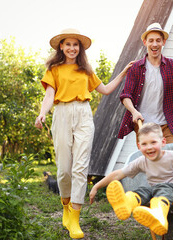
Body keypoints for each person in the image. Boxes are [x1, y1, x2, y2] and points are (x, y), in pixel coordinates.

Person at [34, 28, 133, 239]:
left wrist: (123, 73)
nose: (72, 48)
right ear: (61, 46)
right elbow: (50, 95)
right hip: (61, 114)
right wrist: (42, 114)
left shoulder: (86, 70)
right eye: (68, 44)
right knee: (64, 170)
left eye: (75, 45)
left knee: (81, 168)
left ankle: (75, 219)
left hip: (84, 115)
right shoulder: (54, 69)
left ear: (80, 48)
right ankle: (66, 207)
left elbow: (105, 90)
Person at [118, 22, 173, 144]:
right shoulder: (136, 68)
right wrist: (134, 112)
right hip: (144, 126)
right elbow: (125, 95)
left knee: (171, 160)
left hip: (168, 126)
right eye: (151, 40)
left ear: (163, 42)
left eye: (158, 40)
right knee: (151, 162)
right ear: (145, 42)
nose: (154, 44)